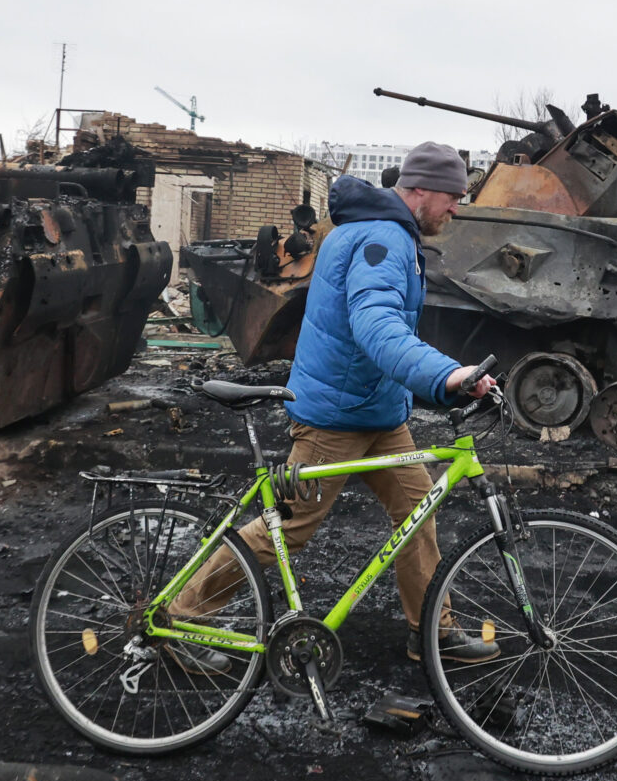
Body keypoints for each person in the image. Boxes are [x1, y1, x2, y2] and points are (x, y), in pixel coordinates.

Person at [170, 141, 498, 671]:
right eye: (453, 196)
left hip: (378, 413)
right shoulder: (383, 239)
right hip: (335, 419)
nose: (457, 207)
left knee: (419, 515)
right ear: (419, 190)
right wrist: (448, 374)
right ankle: (182, 620)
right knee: (288, 531)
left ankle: (432, 632)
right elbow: (378, 327)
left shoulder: (380, 230)